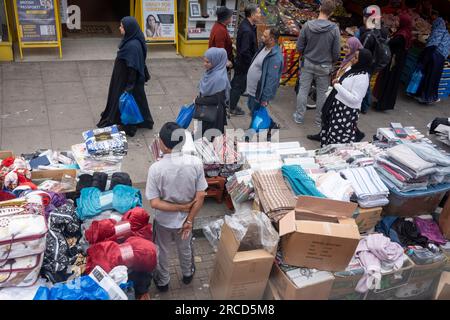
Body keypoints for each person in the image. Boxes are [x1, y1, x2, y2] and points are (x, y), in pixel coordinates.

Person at [146, 122, 207, 292]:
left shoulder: (156, 169)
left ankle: (163, 282)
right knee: (185, 247)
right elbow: (201, 195)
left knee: (163, 251)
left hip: (163, 222)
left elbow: (155, 202)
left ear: (162, 143)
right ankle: (187, 274)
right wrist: (189, 219)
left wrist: (181, 207)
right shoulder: (195, 163)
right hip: (186, 221)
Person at [97, 16, 153, 137]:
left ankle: (128, 124)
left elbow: (132, 68)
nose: (120, 28)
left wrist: (129, 87)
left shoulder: (132, 46)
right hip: (126, 78)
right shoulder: (133, 39)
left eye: (122, 26)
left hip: (126, 80)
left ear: (129, 28)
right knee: (137, 101)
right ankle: (142, 121)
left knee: (125, 101)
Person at [293, 0, 340, 126]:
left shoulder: (307, 25)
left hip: (308, 62)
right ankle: (319, 121)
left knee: (303, 90)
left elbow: (299, 47)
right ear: (332, 12)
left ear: (320, 8)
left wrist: (305, 53)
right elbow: (336, 52)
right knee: (321, 94)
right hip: (324, 66)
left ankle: (299, 117)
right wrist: (332, 62)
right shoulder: (334, 29)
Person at [307, 36, 363, 141]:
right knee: (328, 114)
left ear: (355, 48)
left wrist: (338, 83)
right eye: (345, 47)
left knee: (331, 116)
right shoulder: (347, 59)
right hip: (337, 91)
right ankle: (323, 134)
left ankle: (356, 134)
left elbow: (352, 86)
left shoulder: (354, 63)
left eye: (348, 48)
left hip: (341, 94)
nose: (345, 50)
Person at [320, 48, 372, 146]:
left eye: (356, 57)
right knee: (329, 131)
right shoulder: (353, 69)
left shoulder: (362, 77)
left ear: (362, 61)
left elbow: (355, 99)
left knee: (338, 137)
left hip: (345, 111)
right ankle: (325, 153)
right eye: (354, 56)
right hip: (337, 105)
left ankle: (333, 157)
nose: (353, 59)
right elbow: (343, 79)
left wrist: (337, 86)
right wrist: (338, 81)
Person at [246, 27, 283, 129]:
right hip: (252, 89)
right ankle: (271, 124)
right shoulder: (264, 47)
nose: (262, 37)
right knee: (252, 107)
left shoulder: (275, 57)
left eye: (265, 36)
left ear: (271, 40)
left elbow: (272, 80)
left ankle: (249, 136)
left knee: (255, 113)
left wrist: (265, 98)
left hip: (258, 92)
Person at [374, 13, 413, 111]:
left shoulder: (401, 35)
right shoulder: (406, 32)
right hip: (398, 62)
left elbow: (391, 43)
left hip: (394, 62)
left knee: (388, 82)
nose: (397, 22)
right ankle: (383, 103)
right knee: (391, 82)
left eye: (399, 21)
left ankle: (382, 105)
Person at [229, 4, 261, 116]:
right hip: (244, 65)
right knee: (238, 87)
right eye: (258, 13)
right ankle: (231, 108)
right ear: (252, 15)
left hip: (242, 63)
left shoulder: (248, 25)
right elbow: (244, 51)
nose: (260, 15)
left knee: (236, 85)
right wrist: (252, 64)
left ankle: (229, 103)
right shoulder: (247, 30)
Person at [357, 5, 389, 114]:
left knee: (363, 84)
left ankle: (364, 106)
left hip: (367, 62)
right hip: (376, 63)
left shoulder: (366, 31)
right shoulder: (383, 30)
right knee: (366, 82)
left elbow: (362, 49)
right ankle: (365, 104)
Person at [414, 12, 450, 105]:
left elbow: (432, 45)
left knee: (429, 77)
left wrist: (423, 59)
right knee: (433, 78)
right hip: (440, 59)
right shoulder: (445, 33)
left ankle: (426, 97)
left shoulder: (438, 31)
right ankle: (428, 96)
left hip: (435, 58)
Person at [195, 47, 230, 138]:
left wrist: (198, 100)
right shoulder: (211, 72)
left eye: (208, 62)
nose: (204, 64)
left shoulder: (219, 78)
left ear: (216, 61)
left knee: (210, 139)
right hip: (207, 111)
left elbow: (216, 99)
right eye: (204, 61)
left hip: (214, 115)